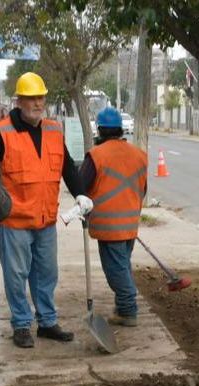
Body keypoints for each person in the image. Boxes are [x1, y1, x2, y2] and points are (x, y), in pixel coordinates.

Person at [0, 72, 88, 348]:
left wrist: (81, 193)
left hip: (46, 219)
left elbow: (67, 167)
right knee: (17, 275)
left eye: (41, 97)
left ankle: (47, 322)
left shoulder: (53, 130)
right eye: (31, 98)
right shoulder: (3, 132)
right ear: (19, 101)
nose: (38, 103)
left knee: (47, 273)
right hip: (15, 220)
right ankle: (22, 325)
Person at [79, 107, 147, 327]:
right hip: (129, 223)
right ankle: (122, 308)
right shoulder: (139, 155)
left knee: (115, 271)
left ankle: (128, 311)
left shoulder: (96, 155)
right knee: (123, 266)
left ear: (99, 129)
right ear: (120, 129)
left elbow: (82, 185)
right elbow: (143, 189)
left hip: (108, 225)